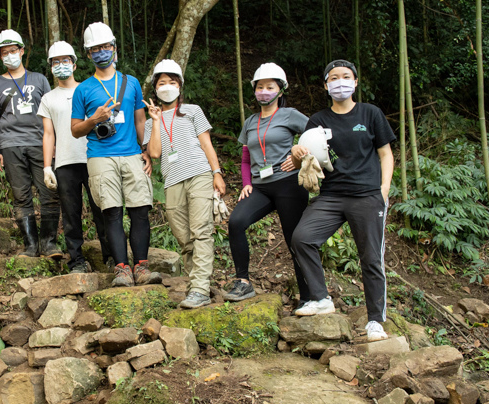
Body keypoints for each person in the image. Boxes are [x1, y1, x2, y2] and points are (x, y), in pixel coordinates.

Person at [290, 59, 396, 342]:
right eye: (334, 78)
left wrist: (384, 189)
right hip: (332, 195)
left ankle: (375, 321)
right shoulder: (318, 119)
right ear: (326, 85)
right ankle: (321, 297)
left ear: (355, 82)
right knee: (302, 237)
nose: (340, 82)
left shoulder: (370, 114)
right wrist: (297, 154)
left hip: (367, 196)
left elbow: (386, 154)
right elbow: (306, 157)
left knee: (371, 258)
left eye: (346, 76)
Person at [71, 21, 159, 287]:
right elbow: (75, 130)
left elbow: (140, 121)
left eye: (105, 46)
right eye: (95, 49)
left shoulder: (131, 83)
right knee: (111, 212)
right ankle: (121, 268)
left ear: (114, 48)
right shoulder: (83, 89)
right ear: (88, 54)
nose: (101, 52)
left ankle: (141, 267)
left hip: (132, 153)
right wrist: (94, 119)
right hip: (100, 156)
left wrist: (145, 151)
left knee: (140, 210)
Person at [225, 63, 311, 303]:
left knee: (295, 238)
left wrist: (297, 157)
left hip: (289, 183)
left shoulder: (290, 115)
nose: (264, 91)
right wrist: (246, 183)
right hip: (260, 186)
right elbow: (245, 157)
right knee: (236, 221)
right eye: (260, 87)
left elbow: (316, 134)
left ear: (280, 90)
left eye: (270, 87)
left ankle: (308, 296)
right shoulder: (251, 121)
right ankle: (243, 283)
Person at [143, 59, 226, 308]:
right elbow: (155, 153)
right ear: (155, 89)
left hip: (199, 172)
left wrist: (217, 171)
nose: (166, 87)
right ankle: (197, 285)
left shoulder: (193, 110)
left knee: (201, 231)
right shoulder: (150, 122)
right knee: (183, 237)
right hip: (172, 180)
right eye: (161, 83)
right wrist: (156, 120)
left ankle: (199, 289)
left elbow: (206, 142)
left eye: (171, 82)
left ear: (179, 86)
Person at [0, 29, 62, 259]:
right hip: (10, 144)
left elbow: (53, 112)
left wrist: (56, 142)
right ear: (0, 56)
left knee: (50, 191)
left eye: (13, 51)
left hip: (41, 143)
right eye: (4, 52)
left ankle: (49, 244)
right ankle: (30, 245)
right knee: (21, 195)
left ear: (21, 51)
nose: (10, 55)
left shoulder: (39, 79)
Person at [38, 41, 112, 273]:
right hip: (65, 162)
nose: (62, 66)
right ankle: (77, 261)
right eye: (56, 62)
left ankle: (111, 258)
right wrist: (47, 166)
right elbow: (49, 134)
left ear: (74, 63)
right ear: (51, 67)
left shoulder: (90, 88)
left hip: (94, 157)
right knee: (71, 215)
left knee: (103, 210)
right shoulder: (48, 98)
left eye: (65, 61)